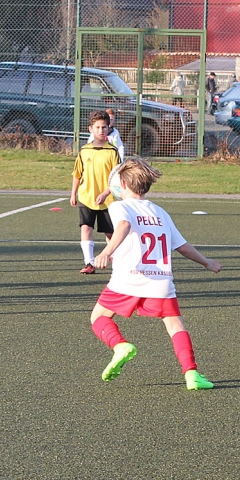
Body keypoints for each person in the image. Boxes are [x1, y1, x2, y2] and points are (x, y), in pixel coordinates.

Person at [89, 157, 222, 390]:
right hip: (160, 281)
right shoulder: (160, 212)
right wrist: (206, 262)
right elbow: (182, 246)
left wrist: (106, 251)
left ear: (123, 184)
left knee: (98, 317)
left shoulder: (119, 206)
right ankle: (191, 374)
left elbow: (124, 226)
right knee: (175, 325)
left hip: (128, 278)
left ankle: (120, 346)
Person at [71, 111, 121, 274]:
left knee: (110, 233)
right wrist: (73, 193)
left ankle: (117, 259)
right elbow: (77, 173)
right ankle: (89, 263)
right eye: (97, 127)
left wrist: (106, 193)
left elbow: (117, 178)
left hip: (107, 200)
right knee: (86, 227)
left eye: (104, 127)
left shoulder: (112, 151)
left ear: (108, 128)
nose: (101, 130)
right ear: (90, 129)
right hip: (86, 197)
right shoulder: (84, 150)